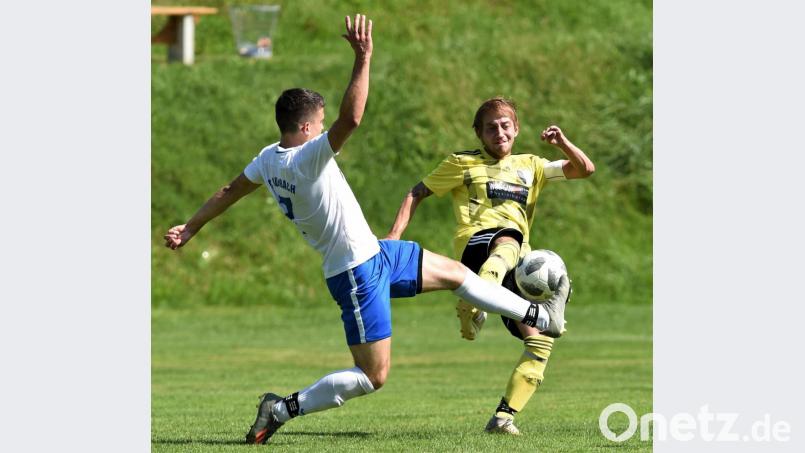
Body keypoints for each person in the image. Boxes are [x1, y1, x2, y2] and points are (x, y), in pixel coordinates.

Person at [164, 16, 568, 445]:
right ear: (305, 128)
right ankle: (280, 408)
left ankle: (539, 315)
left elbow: (230, 189)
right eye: (318, 124)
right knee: (374, 375)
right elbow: (352, 118)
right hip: (354, 272)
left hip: (375, 253)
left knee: (458, 275)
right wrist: (363, 58)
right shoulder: (306, 158)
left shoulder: (268, 158)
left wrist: (191, 227)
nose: (323, 129)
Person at [385, 97, 594, 435]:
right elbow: (416, 192)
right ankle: (475, 299)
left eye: (505, 125)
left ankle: (502, 418)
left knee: (540, 341)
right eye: (491, 127)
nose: (499, 132)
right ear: (479, 134)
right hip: (477, 246)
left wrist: (562, 143)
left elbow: (584, 170)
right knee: (508, 237)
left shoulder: (532, 165)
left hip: (519, 267)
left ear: (516, 128)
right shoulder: (462, 163)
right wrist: (393, 236)